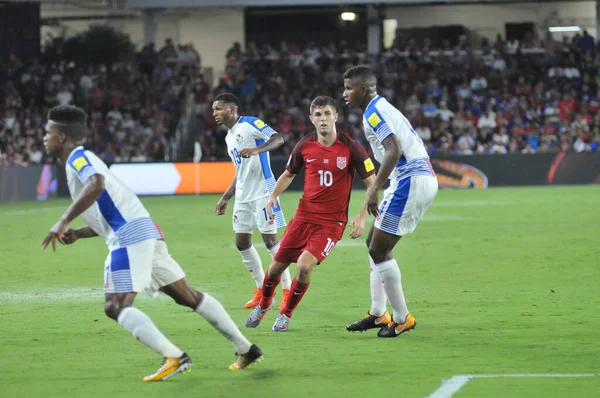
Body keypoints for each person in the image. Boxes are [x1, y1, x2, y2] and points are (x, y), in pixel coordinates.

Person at [40, 105, 263, 382]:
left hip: (129, 237)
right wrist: (78, 232)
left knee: (115, 307)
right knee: (188, 296)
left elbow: (96, 184)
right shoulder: (87, 160)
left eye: (47, 133)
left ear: (61, 137)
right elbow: (111, 210)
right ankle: (246, 349)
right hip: (144, 231)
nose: (44, 138)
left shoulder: (78, 158)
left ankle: (173, 356)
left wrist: (61, 220)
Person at [245, 96, 376, 332]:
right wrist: (272, 196)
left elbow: (372, 183)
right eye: (318, 114)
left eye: (327, 113)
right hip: (303, 217)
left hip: (331, 223)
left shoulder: (351, 147)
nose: (323, 118)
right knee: (275, 268)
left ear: (335, 117)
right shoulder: (304, 145)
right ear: (311, 119)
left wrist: (362, 215)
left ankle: (285, 314)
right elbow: (288, 174)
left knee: (304, 266)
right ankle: (264, 304)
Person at [343, 65, 438, 338]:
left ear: (362, 90)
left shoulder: (374, 112)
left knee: (379, 249)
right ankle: (377, 312)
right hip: (410, 178)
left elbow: (394, 150)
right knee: (373, 243)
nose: (345, 94)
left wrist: (374, 190)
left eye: (348, 88)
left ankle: (401, 318)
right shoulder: (381, 107)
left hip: (410, 179)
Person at [212, 93, 292, 310]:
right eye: (213, 110)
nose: (215, 114)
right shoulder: (229, 137)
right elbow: (240, 171)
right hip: (242, 195)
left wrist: (257, 149)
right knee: (242, 242)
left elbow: (278, 138)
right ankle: (261, 291)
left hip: (263, 192)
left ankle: (287, 291)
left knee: (271, 242)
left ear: (232, 109)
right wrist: (226, 197)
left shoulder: (250, 123)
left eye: (218, 109)